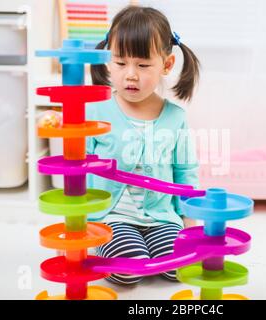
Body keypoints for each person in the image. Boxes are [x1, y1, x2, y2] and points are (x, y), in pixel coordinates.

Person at [86, 5, 201, 285]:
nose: (131, 74)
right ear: (107, 61)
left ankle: (154, 245)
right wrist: (81, 225)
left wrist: (189, 220)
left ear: (167, 65)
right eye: (121, 63)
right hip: (111, 218)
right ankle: (126, 249)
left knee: (178, 268)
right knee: (130, 268)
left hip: (162, 217)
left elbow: (186, 171)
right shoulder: (94, 112)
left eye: (143, 64)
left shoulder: (176, 117)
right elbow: (78, 170)